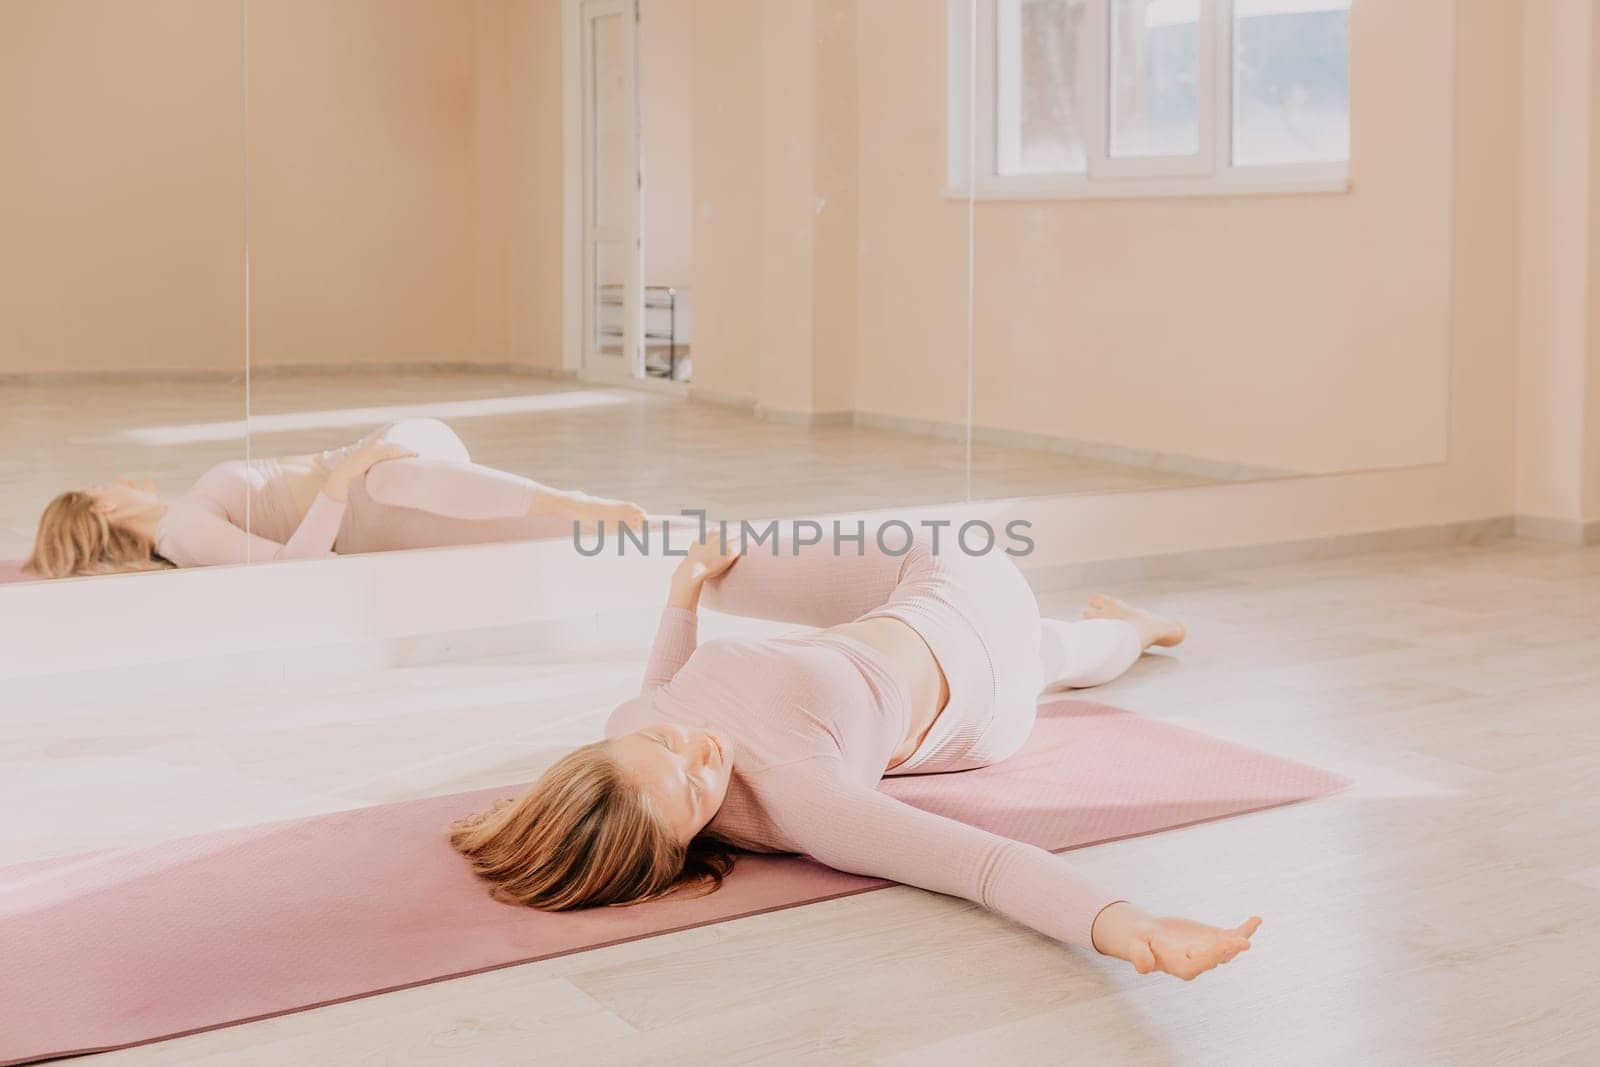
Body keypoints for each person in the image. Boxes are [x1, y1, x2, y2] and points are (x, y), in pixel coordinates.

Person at [452, 529, 1261, 981]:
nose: (697, 744)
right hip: (979, 680)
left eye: (663, 743)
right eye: (696, 785)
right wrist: (1128, 926)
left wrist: (684, 592)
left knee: (728, 566)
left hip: (922, 596)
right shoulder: (807, 800)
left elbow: (660, 687)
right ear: (679, 846)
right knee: (1042, 658)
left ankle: (1130, 626)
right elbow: (985, 866)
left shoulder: (636, 726)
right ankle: (1130, 628)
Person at [25, 418, 645, 578]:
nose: (115, 479)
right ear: (100, 508)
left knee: (391, 474)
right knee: (389, 478)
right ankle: (577, 506)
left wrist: (350, 472)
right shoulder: (183, 534)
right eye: (100, 485)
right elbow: (295, 573)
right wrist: (339, 483)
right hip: (380, 491)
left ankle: (573, 503)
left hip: (392, 472)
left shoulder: (185, 516)